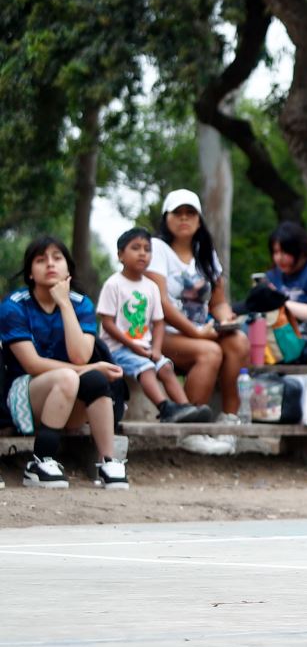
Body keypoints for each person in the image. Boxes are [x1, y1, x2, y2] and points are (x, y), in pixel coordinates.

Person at [1, 236, 129, 489]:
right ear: (30, 272)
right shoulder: (14, 306)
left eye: (57, 258)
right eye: (41, 260)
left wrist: (64, 303)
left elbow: (80, 355)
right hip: (24, 397)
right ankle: (40, 460)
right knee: (73, 376)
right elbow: (32, 365)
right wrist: (91, 368)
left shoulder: (81, 304)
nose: (50, 264)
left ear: (68, 268)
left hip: (68, 403)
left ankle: (107, 462)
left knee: (94, 381)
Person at [146, 188, 250, 421]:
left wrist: (225, 320)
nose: (184, 218)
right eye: (178, 212)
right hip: (163, 333)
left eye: (190, 213)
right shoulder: (157, 248)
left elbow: (219, 302)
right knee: (210, 352)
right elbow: (160, 302)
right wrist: (196, 333)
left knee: (239, 341)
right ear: (166, 218)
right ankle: (189, 423)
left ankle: (230, 419)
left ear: (199, 219)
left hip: (202, 330)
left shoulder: (205, 252)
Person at [97, 228, 210, 423]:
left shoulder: (151, 287)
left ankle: (185, 409)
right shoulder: (113, 284)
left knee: (165, 366)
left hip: (145, 348)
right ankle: (165, 408)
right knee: (147, 367)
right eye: (135, 248)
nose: (142, 253)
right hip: (117, 349)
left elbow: (158, 323)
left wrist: (156, 349)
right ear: (120, 255)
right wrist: (134, 346)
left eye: (147, 249)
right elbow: (107, 323)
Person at [250, 222, 307, 351]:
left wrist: (279, 303)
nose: (279, 258)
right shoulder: (272, 276)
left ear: (301, 252)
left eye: (285, 252)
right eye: (275, 252)